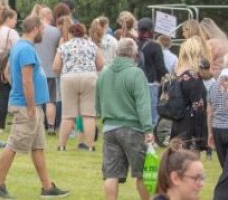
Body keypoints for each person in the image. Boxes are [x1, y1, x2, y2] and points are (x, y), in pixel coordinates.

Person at [0, 16, 70, 199]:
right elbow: (26, 81)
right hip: (26, 107)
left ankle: (47, 188)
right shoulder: (25, 49)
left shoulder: (23, 47)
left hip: (32, 107)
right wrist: (31, 107)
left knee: (38, 147)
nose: (44, 33)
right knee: (13, 145)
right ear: (35, 28)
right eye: (43, 29)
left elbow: (10, 73)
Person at [94, 38, 154, 200]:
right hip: (132, 129)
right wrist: (148, 128)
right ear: (134, 54)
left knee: (111, 174)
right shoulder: (136, 73)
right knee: (141, 173)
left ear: (116, 52)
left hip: (109, 129)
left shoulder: (104, 73)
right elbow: (143, 104)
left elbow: (98, 103)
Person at [53, 22, 103, 151]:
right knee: (88, 114)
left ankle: (62, 145)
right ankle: (90, 145)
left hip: (69, 78)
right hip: (89, 77)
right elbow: (101, 64)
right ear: (84, 33)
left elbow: (56, 67)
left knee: (68, 115)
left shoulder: (64, 47)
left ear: (70, 34)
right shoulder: (91, 45)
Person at [169, 39, 208, 151]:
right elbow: (197, 106)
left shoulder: (176, 73)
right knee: (190, 163)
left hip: (177, 121)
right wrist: (201, 134)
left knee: (177, 158)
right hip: (190, 124)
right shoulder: (193, 76)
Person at [0, 8, 20, 132]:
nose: (16, 22)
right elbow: (18, 49)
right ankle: (18, 121)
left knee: (2, 94)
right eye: (14, 19)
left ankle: (1, 124)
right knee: (16, 92)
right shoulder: (11, 32)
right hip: (9, 64)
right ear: (8, 19)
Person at [32, 6, 62, 135]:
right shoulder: (56, 32)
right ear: (49, 16)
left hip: (35, 68)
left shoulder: (34, 30)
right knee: (51, 100)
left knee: (35, 99)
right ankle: (51, 126)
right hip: (50, 70)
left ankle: (35, 125)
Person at [207, 53, 228, 169]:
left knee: (224, 166)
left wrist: (210, 132)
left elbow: (210, 112)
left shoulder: (213, 86)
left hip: (217, 129)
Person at [138, 18, 169, 127]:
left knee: (139, 109)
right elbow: (161, 67)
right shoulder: (155, 46)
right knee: (153, 112)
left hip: (136, 81)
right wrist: (169, 77)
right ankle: (153, 137)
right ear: (151, 30)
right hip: (151, 82)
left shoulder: (134, 44)